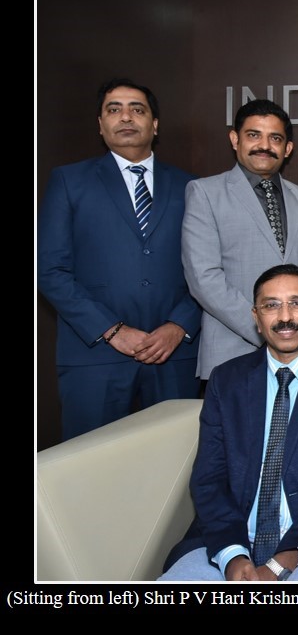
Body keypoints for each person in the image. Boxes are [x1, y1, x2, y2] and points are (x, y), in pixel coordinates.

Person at [160, 264, 298, 581]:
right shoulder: (226, 379)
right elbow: (209, 477)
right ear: (256, 318)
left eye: (297, 303)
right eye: (271, 305)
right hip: (226, 541)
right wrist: (232, 555)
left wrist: (285, 557)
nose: (285, 316)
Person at [38, 78, 201, 440]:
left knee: (172, 474)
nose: (126, 117)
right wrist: (111, 330)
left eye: (137, 109)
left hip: (173, 355)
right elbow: (50, 270)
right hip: (94, 358)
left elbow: (207, 268)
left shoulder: (192, 187)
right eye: (114, 109)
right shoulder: (68, 181)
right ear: (100, 124)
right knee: (89, 473)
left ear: (154, 124)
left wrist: (178, 326)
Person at [182, 99, 298, 380]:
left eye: (275, 138)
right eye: (253, 135)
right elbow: (204, 277)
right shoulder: (205, 193)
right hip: (233, 350)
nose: (264, 145)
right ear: (235, 139)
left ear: (287, 148)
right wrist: (266, 328)